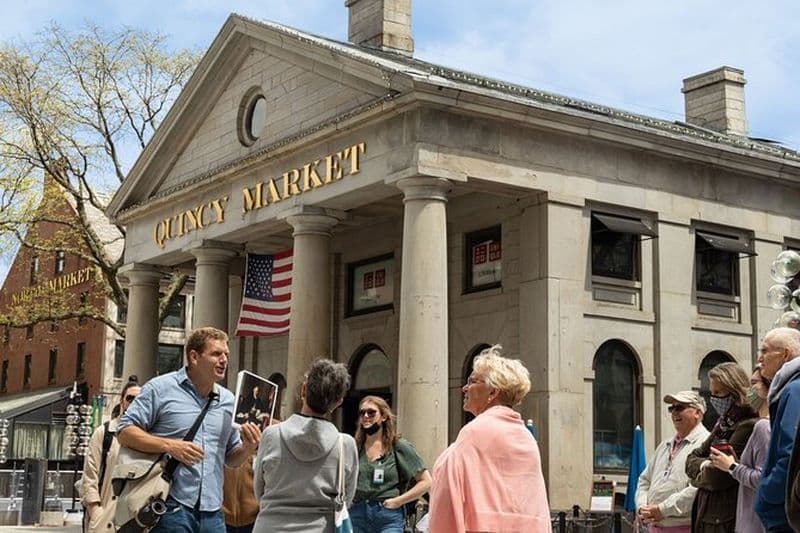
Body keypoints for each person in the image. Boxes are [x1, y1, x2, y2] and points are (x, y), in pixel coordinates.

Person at [117, 327, 261, 533]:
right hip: (169, 506)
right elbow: (124, 431)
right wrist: (169, 446)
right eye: (216, 354)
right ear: (194, 357)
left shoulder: (229, 401)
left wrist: (247, 448)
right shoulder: (159, 388)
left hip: (213, 511)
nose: (224, 360)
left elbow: (231, 459)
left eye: (226, 355)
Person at [428, 345, 551, 532]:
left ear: (493, 392)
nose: (464, 388)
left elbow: (448, 493)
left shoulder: (474, 433)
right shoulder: (526, 437)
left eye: (472, 381)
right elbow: (537, 505)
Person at [252, 359, 358, 532]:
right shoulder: (345, 444)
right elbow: (347, 498)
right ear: (338, 402)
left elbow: (259, 491)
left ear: (303, 390)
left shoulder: (271, 435)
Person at [685, 362, 758, 532]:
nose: (714, 399)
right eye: (712, 393)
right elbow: (692, 457)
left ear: (735, 391)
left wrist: (696, 478)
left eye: (718, 393)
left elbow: (718, 476)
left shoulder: (748, 425)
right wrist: (705, 464)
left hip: (725, 519)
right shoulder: (723, 424)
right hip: (709, 514)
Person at [350, 395, 431, 533]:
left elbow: (426, 481)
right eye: (362, 413)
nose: (366, 416)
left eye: (371, 412)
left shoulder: (398, 446)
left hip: (388, 516)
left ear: (383, 417)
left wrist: (399, 501)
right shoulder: (354, 446)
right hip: (358, 514)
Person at [707, 366, 771, 533]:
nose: (748, 390)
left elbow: (762, 478)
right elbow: (696, 455)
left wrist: (731, 466)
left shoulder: (762, 426)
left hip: (755, 524)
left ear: (768, 388)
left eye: (754, 383)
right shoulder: (723, 423)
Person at [635, 391, 710, 533]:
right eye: (672, 408)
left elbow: (699, 488)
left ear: (697, 412)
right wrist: (642, 507)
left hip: (686, 527)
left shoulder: (706, 443)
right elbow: (644, 480)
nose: (674, 412)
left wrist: (662, 510)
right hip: (653, 527)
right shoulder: (664, 445)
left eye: (680, 407)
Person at [754, 327, 800, 533]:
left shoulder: (794, 389)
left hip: (784, 517)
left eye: (765, 351)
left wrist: (768, 492)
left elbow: (789, 452)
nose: (759, 359)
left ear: (785, 354)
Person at [81, 380, 142, 532]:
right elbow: (89, 475)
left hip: (136, 519)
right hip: (106, 517)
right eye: (130, 398)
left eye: (139, 399)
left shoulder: (150, 435)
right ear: (122, 401)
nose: (134, 402)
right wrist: (96, 512)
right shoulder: (104, 433)